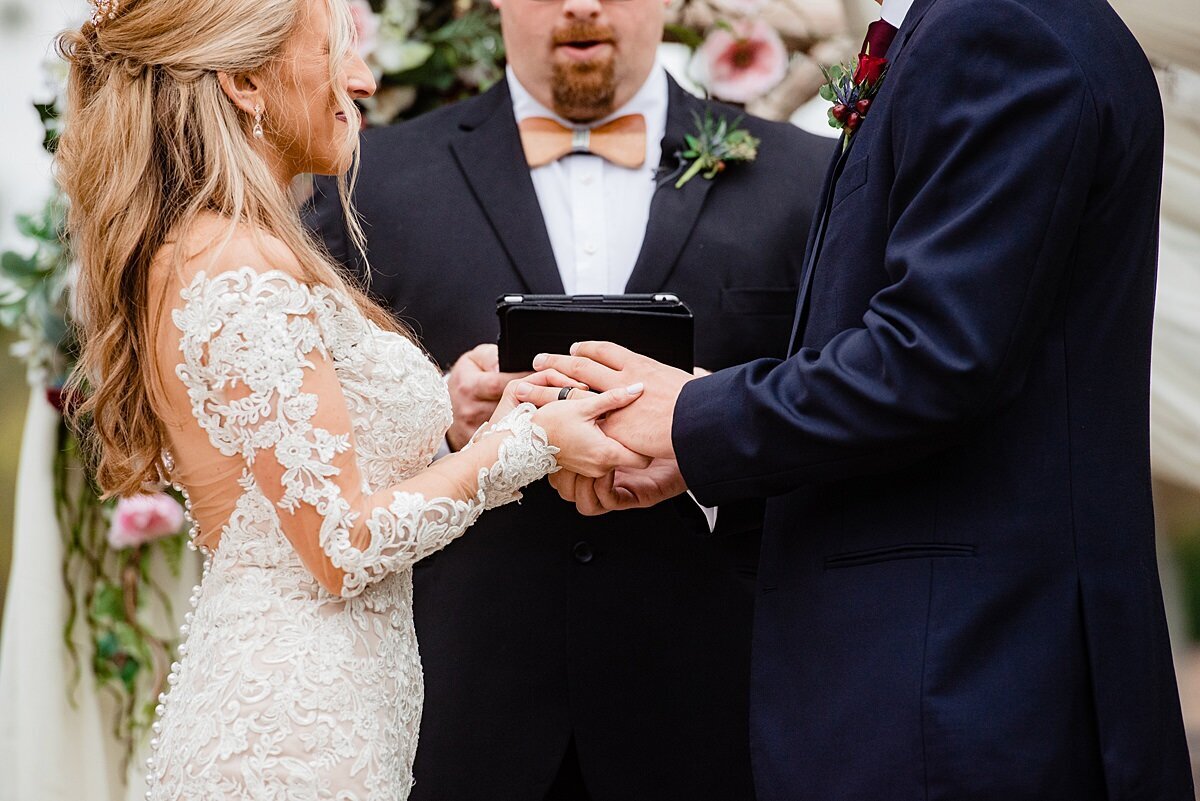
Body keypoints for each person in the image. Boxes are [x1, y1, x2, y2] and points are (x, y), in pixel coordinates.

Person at [521, 0, 1197, 796]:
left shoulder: (999, 29)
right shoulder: (980, 27)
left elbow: (934, 357)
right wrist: (698, 458)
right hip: (945, 679)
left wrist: (688, 419)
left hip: (962, 687)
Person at [53, 0, 648, 797]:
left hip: (332, 707)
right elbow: (340, 545)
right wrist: (533, 443)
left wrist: (475, 415)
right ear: (241, 80)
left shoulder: (229, 245)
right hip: (290, 734)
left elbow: (307, 471)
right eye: (336, 51)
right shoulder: (232, 265)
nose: (363, 79)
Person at [305, 0, 831, 797]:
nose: (582, 5)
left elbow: (851, 419)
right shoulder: (368, 183)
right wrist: (441, 425)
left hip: (716, 709)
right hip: (462, 714)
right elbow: (303, 445)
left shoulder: (805, 180)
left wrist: (703, 440)